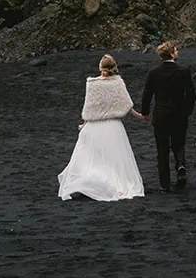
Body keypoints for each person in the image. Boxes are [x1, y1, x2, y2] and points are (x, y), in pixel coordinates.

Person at [56, 55, 146, 201]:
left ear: (100, 67)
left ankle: (91, 183)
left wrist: (85, 123)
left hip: (94, 126)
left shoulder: (93, 83)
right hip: (113, 126)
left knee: (92, 157)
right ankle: (110, 184)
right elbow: (127, 105)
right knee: (113, 159)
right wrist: (141, 116)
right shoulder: (118, 83)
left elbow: (90, 107)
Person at [137, 40, 196, 193]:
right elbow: (191, 95)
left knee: (162, 150)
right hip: (179, 114)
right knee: (179, 143)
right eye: (176, 50)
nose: (178, 52)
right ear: (171, 53)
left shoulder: (154, 73)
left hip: (161, 115)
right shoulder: (183, 71)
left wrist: (145, 112)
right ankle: (180, 164)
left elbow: (147, 95)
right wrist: (187, 111)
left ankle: (164, 185)